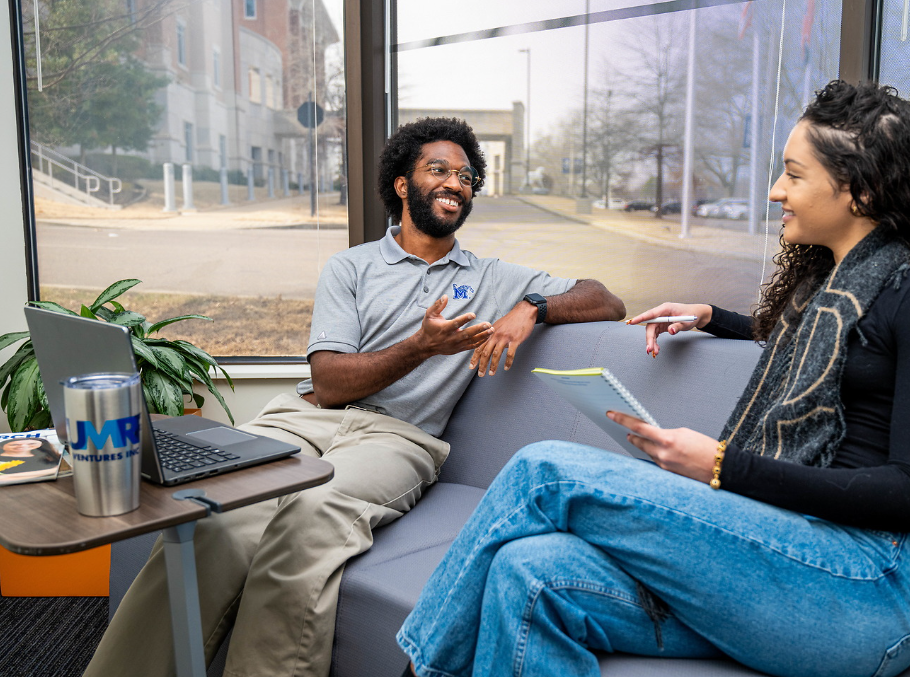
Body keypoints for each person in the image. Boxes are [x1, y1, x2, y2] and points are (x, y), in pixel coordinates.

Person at [396, 81, 910, 677]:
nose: (775, 191)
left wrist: (721, 466)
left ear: (861, 190)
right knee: (527, 572)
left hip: (868, 585)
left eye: (794, 175)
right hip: (783, 557)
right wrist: (711, 316)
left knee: (542, 470)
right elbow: (817, 347)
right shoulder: (829, 296)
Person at [84, 117, 625, 677]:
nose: (455, 183)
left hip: (397, 439)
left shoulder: (492, 277)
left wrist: (533, 305)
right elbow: (329, 383)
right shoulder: (352, 266)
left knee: (308, 521)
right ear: (402, 184)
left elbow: (606, 299)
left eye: (466, 177)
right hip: (303, 419)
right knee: (213, 517)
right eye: (438, 170)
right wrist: (420, 347)